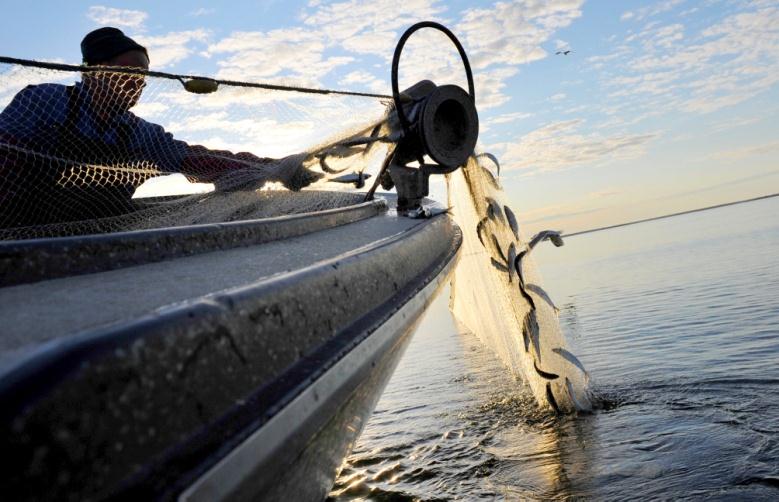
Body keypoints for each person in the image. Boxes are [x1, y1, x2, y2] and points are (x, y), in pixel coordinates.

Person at [0, 27, 320, 228]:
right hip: (20, 231)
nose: (135, 83)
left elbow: (197, 160)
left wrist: (275, 168)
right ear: (91, 72)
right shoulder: (44, 100)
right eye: (124, 71)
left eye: (143, 75)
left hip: (99, 234)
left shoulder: (142, 134)